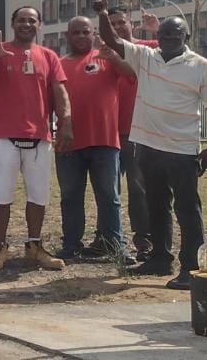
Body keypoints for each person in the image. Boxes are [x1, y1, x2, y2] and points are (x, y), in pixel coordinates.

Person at [97, 0, 207, 290]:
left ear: (185, 36)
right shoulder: (145, 57)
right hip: (148, 146)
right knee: (156, 205)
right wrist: (101, 12)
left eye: (175, 35)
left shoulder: (202, 67)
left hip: (182, 150)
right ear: (157, 38)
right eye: (164, 35)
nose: (169, 39)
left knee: (188, 209)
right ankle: (160, 258)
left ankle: (192, 266)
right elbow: (112, 38)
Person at [0, 6, 71, 271]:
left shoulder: (49, 56)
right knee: (1, 194)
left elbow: (60, 91)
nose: (26, 24)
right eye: (21, 20)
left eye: (31, 20)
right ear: (13, 24)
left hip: (38, 136)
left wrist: (65, 123)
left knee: (39, 195)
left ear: (39, 25)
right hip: (3, 135)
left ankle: (35, 246)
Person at [56, 16, 133, 261]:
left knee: (109, 197)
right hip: (68, 143)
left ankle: (115, 245)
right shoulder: (58, 63)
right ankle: (71, 245)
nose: (80, 36)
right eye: (75, 32)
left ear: (93, 34)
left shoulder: (106, 59)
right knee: (70, 197)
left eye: (85, 32)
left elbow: (132, 74)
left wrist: (114, 58)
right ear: (67, 36)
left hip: (105, 141)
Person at [107, 7, 160, 261]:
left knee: (139, 188)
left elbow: (180, 53)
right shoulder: (100, 53)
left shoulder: (149, 47)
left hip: (138, 131)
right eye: (112, 23)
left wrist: (157, 30)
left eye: (121, 22)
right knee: (108, 190)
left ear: (131, 24)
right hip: (107, 133)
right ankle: (108, 237)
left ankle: (144, 239)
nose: (117, 27)